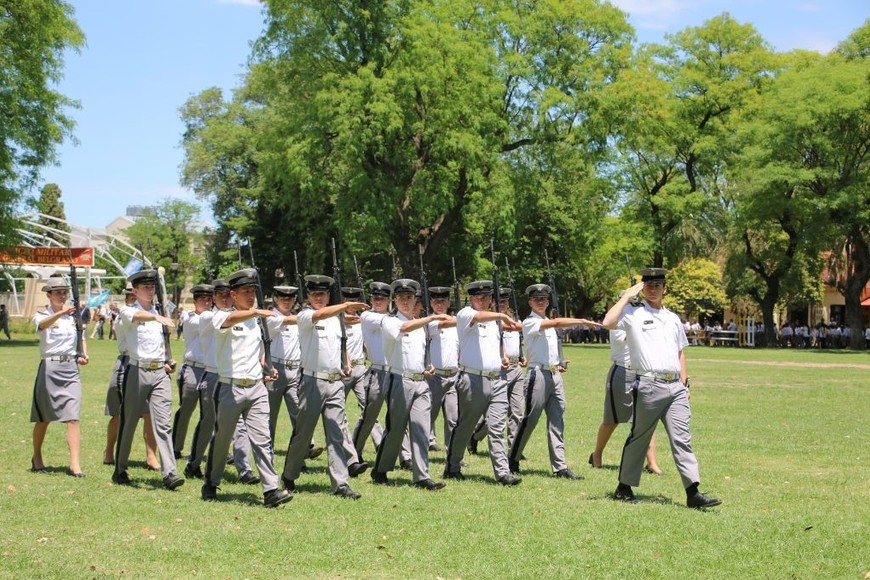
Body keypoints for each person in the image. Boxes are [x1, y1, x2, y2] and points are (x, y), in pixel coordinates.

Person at [602, 267, 721, 509]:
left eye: (657, 285)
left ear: (665, 289)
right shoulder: (632, 313)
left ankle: (693, 492)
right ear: (642, 288)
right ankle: (624, 487)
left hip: (674, 386)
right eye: (648, 285)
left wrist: (685, 383)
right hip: (648, 384)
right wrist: (626, 295)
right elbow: (607, 322)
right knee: (640, 436)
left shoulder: (673, 318)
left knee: (682, 438)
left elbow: (680, 353)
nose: (653, 289)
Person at [200, 269, 292, 508]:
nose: (250, 296)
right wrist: (253, 312)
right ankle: (211, 481)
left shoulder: (258, 321)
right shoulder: (221, 315)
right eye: (245, 292)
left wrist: (266, 368)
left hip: (256, 388)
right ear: (233, 294)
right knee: (222, 440)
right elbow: (228, 322)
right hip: (230, 388)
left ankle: (270, 489)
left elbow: (258, 352)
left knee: (262, 439)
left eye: (253, 292)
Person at [281, 274, 369, 499]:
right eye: (314, 294)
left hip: (335, 382)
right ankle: (289, 475)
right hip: (312, 382)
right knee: (303, 433)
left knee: (336, 433)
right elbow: (320, 314)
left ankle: (340, 483)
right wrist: (346, 305)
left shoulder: (336, 318)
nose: (318, 297)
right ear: (308, 296)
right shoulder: (306, 315)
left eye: (322, 294)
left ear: (329, 295)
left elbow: (341, 344)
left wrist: (345, 363)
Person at [508, 284, 598, 479]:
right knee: (530, 419)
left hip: (554, 374)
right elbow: (555, 324)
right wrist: (581, 320)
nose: (540, 302)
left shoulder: (548, 321)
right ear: (530, 302)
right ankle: (512, 458)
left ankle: (560, 467)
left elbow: (548, 346)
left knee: (557, 420)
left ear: (548, 301)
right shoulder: (530, 322)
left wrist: (559, 362)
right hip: (537, 375)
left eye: (543, 299)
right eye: (536, 299)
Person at [442, 280, 522, 486]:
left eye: (485, 297)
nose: (480, 300)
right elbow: (478, 317)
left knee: (497, 426)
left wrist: (502, 357)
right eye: (476, 297)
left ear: (490, 299)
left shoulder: (494, 321)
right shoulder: (465, 314)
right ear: (470, 298)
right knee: (466, 426)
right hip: (472, 379)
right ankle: (452, 466)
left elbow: (494, 344)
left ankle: (502, 473)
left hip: (497, 379)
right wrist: (503, 314)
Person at [370, 279, 447, 490]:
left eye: (409, 297)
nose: (405, 301)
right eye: (401, 297)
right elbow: (404, 327)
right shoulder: (390, 321)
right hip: (398, 379)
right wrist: (431, 317)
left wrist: (427, 365)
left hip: (420, 381)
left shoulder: (420, 326)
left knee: (421, 428)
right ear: (394, 299)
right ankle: (380, 468)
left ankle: (422, 476)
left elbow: (419, 352)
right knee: (395, 429)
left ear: (415, 300)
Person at [111, 269, 184, 491]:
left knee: (163, 424)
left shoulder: (159, 311)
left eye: (152, 287)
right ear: (135, 290)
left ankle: (170, 473)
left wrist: (168, 360)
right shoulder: (128, 311)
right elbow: (137, 317)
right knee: (129, 421)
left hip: (160, 373)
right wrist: (156, 316)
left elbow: (161, 344)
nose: (150, 291)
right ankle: (120, 468)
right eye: (145, 287)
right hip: (137, 371)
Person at [588, 315, 661, 474]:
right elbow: (633, 336)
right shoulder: (618, 321)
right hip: (623, 371)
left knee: (647, 419)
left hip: (644, 372)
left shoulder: (644, 317)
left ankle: (652, 462)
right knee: (612, 419)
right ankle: (597, 454)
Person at [30, 277, 88, 477]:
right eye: (57, 292)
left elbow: (81, 337)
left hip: (70, 367)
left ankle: (74, 463)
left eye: (64, 292)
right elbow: (43, 325)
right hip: (49, 367)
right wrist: (62, 313)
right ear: (48, 295)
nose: (62, 296)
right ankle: (36, 456)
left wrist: (82, 353)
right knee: (43, 417)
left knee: (73, 416)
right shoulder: (42, 314)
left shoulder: (73, 317)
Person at [103, 284, 160, 470]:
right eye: (130, 296)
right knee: (118, 413)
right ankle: (110, 450)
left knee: (149, 413)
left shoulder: (151, 311)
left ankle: (151, 455)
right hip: (127, 363)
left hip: (148, 363)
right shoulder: (126, 314)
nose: (133, 299)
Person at [468, 289, 525, 455]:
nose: (502, 305)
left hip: (516, 368)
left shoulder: (512, 318)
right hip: (500, 369)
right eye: (499, 302)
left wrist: (521, 356)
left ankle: (514, 449)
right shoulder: (491, 321)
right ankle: (476, 436)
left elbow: (516, 340)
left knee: (517, 412)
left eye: (505, 302)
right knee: (496, 413)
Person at [171, 285, 213, 462]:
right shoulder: (190, 317)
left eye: (209, 299)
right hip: (193, 368)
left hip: (210, 369)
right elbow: (203, 323)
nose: (206, 302)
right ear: (194, 301)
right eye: (202, 299)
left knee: (210, 413)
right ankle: (176, 447)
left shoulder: (214, 318)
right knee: (186, 409)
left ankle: (213, 447)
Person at [350, 281, 391, 462]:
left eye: (382, 298)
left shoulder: (395, 317)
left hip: (396, 372)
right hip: (377, 372)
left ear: (389, 300)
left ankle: (405, 457)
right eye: (375, 298)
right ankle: (354, 452)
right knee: (368, 417)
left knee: (398, 416)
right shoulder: (367, 316)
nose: (379, 301)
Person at [423, 286, 459, 452]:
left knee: (453, 417)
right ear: (430, 302)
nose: (439, 304)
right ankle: (422, 445)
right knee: (429, 414)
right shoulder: (429, 322)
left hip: (453, 376)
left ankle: (452, 451)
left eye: (443, 301)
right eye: (436, 301)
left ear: (448, 302)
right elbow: (444, 322)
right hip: (434, 376)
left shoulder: (455, 322)